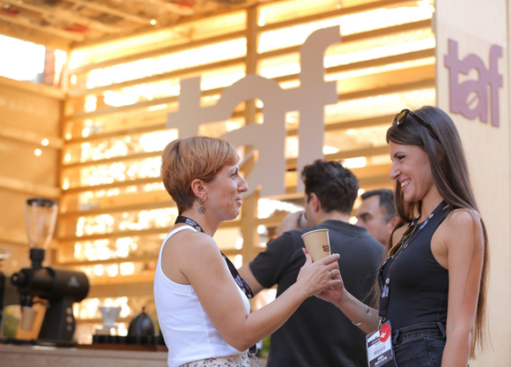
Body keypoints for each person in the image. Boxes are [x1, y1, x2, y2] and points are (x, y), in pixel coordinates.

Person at [317, 106, 489, 367]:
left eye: (401, 157)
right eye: (392, 160)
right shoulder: (402, 234)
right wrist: (341, 297)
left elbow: (459, 329)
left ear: (437, 153)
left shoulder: (461, 222)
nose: (393, 172)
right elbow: (388, 327)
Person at [154, 137, 341, 367]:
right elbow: (240, 334)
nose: (244, 185)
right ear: (200, 188)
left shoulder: (188, 240)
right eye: (233, 174)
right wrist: (303, 287)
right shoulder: (196, 244)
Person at [239, 160, 385, 367]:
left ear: (314, 201)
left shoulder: (293, 242)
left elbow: (235, 287)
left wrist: (282, 239)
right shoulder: (381, 252)